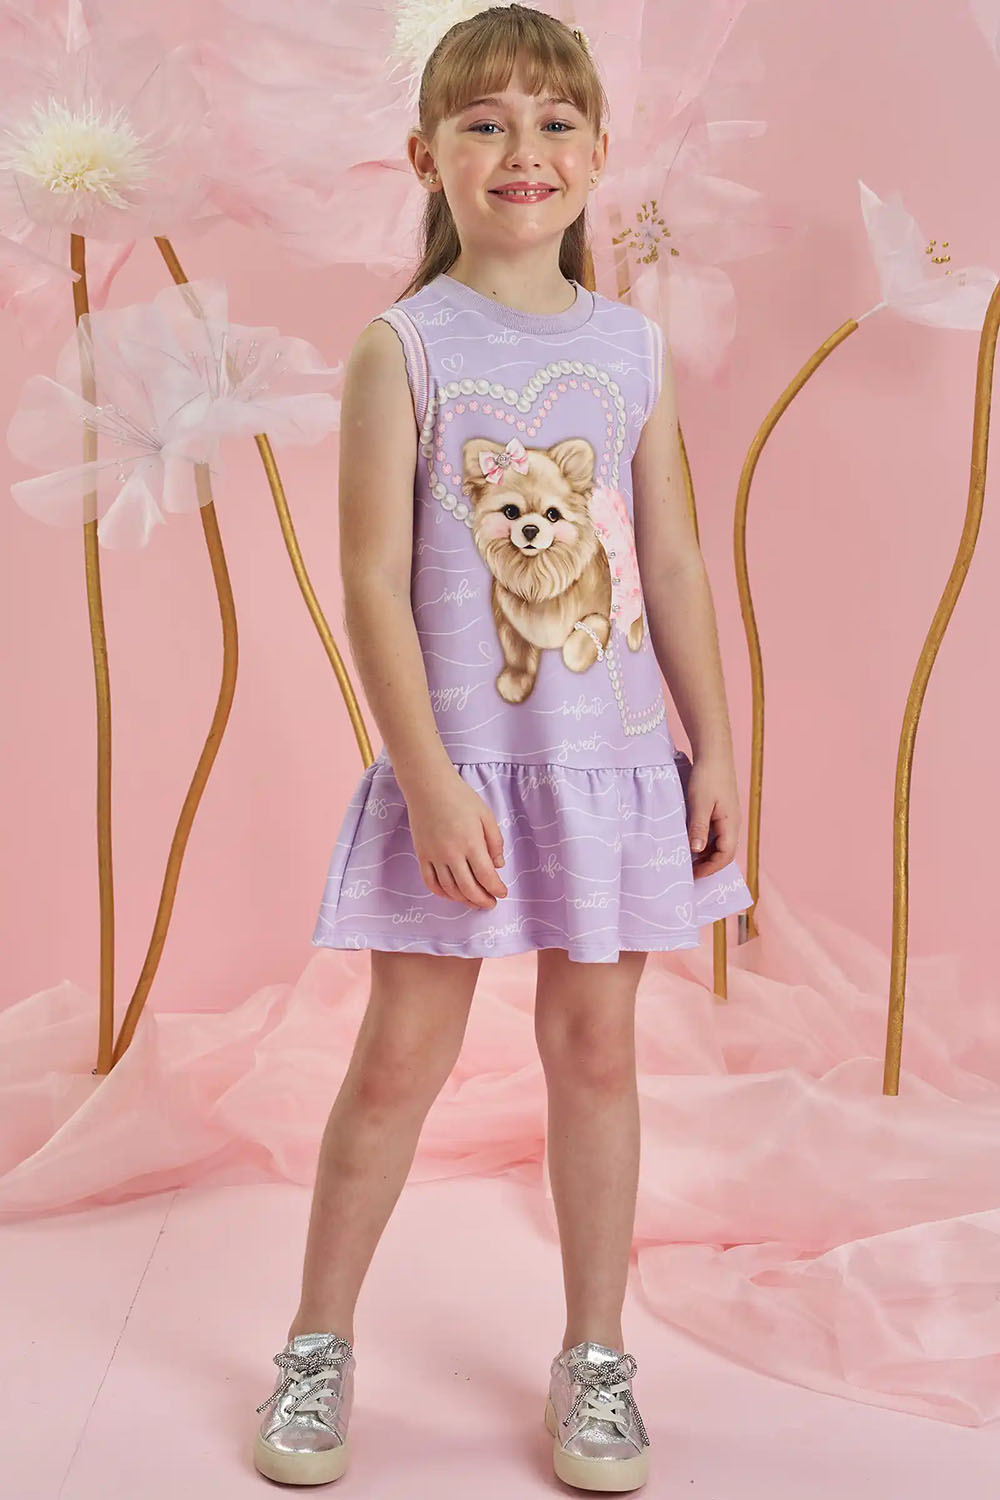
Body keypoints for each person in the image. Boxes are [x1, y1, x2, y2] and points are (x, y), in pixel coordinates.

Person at [252, 5, 753, 1491]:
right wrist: (426, 779)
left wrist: (715, 747)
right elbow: (371, 582)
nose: (520, 149)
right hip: (462, 770)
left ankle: (596, 1358)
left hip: (612, 768)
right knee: (399, 1060)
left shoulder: (632, 347)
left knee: (598, 1054)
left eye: (552, 122)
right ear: (427, 157)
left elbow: (672, 560)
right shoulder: (403, 347)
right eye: (483, 123)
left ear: (597, 156)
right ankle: (316, 1343)